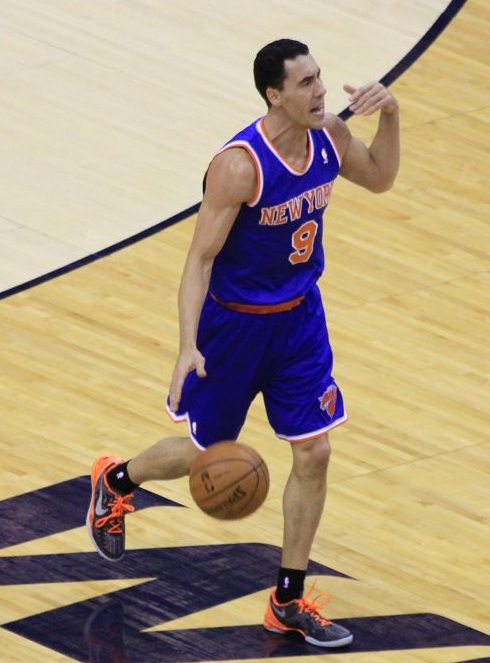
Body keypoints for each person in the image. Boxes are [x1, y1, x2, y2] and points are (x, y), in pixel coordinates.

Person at [87, 38, 399, 648]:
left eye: (319, 78)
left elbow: (383, 179)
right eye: (305, 84)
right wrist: (186, 344)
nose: (319, 91)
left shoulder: (331, 137)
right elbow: (198, 260)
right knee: (210, 450)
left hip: (299, 321)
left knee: (314, 453)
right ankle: (118, 482)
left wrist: (391, 115)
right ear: (273, 95)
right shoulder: (239, 166)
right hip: (233, 326)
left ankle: (288, 599)